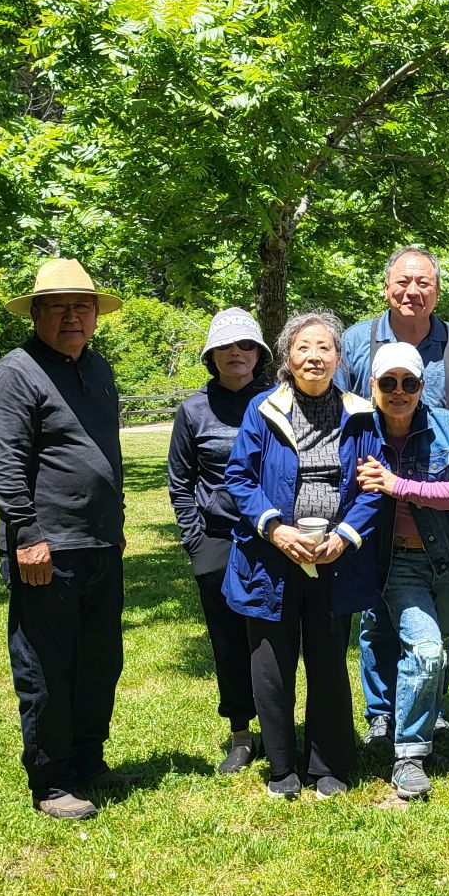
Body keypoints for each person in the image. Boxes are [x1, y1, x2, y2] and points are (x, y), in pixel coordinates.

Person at [0, 259, 128, 822]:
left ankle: (89, 760)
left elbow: (105, 454)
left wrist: (113, 528)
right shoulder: (17, 372)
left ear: (95, 315)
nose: (73, 316)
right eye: (60, 306)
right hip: (46, 546)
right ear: (37, 312)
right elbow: (5, 462)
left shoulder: (99, 369)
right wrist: (26, 534)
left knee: (99, 661)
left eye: (83, 306)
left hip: (98, 543)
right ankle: (50, 779)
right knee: (46, 664)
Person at [223, 312, 387, 799]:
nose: (313, 357)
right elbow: (240, 476)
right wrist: (275, 529)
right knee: (271, 663)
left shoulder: (361, 412)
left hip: (333, 560)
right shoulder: (263, 408)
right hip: (272, 560)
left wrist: (347, 534)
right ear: (287, 357)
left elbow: (372, 485)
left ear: (339, 358)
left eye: (324, 348)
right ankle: (281, 768)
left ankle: (328, 764)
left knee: (329, 660)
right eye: (303, 348)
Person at [355, 341, 449, 801]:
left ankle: (421, 721)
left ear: (422, 386)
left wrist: (398, 486)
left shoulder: (447, 426)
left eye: (408, 383)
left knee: (440, 649)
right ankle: (407, 755)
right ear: (373, 387)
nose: (399, 391)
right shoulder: (360, 431)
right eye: (388, 383)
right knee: (424, 650)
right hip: (394, 561)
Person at [167, 308, 273, 775]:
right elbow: (180, 482)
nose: (237, 354)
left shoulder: (275, 401)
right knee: (227, 640)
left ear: (259, 355)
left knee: (271, 638)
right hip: (215, 538)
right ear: (212, 356)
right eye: (227, 347)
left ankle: (277, 727)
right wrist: (195, 540)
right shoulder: (193, 410)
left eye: (247, 346)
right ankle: (241, 732)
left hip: (270, 535)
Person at [338, 245, 449, 440]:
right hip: (371, 464)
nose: (412, 291)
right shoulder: (353, 341)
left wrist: (446, 443)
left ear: (437, 291)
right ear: (386, 289)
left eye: (423, 283)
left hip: (442, 467)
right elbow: (335, 406)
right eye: (403, 282)